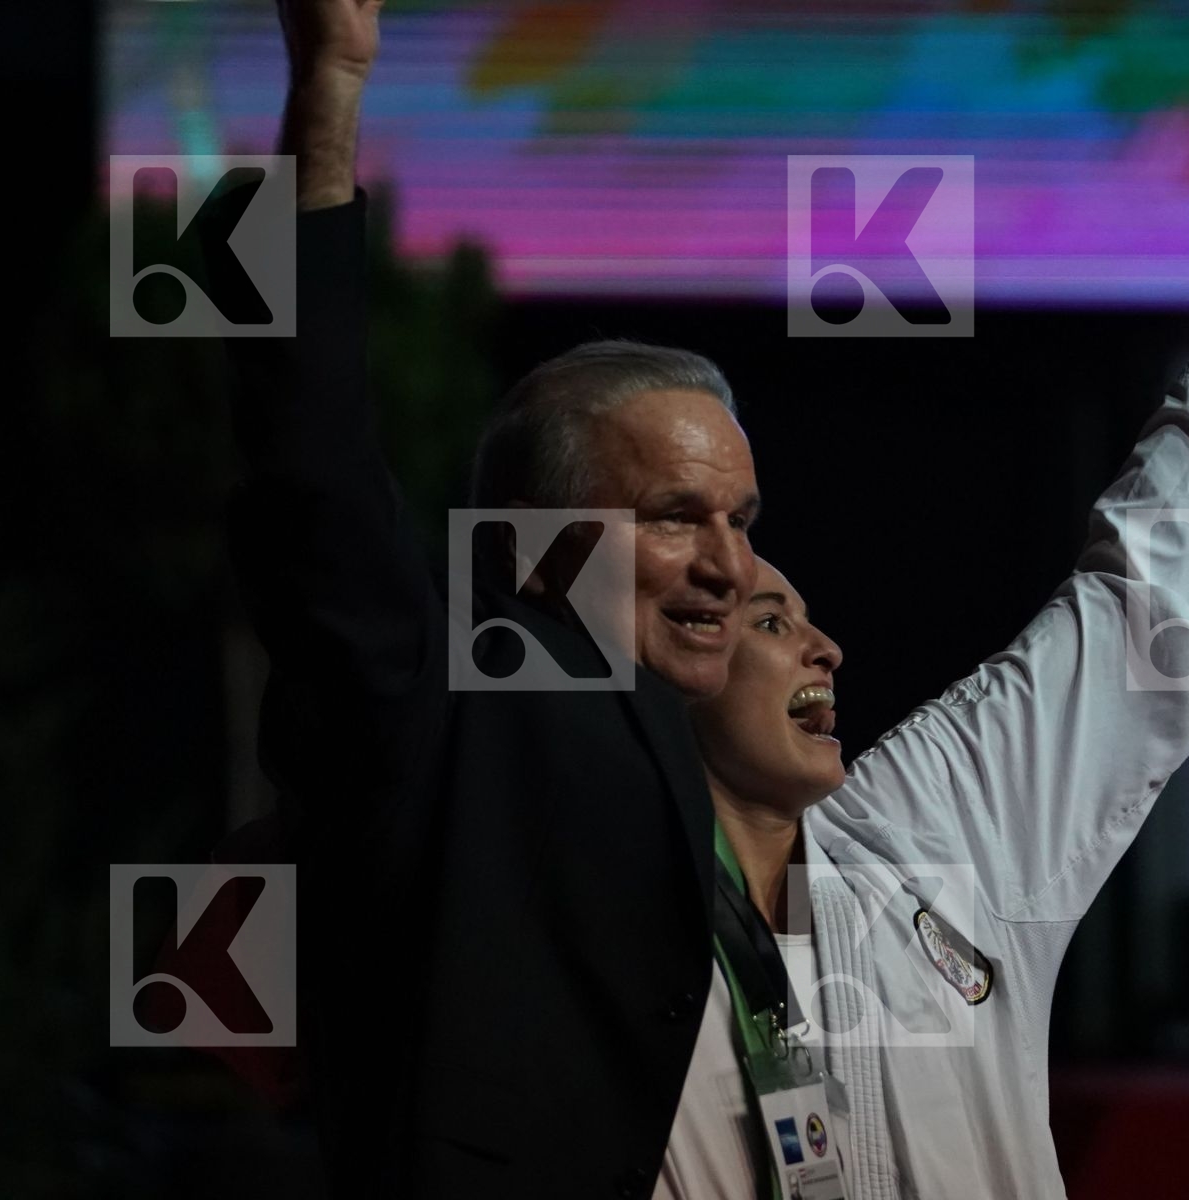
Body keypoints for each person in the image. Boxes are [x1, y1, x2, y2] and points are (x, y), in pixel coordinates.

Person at [661, 50, 1189, 1200]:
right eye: (767, 618)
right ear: (673, 662)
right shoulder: (585, 930)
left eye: (804, 613)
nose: (824, 647)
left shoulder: (925, 843)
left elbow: (1133, 620)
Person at [218, 2, 762, 1195]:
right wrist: (328, 95)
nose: (729, 565)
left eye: (742, 521)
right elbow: (309, 460)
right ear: (538, 545)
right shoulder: (443, 690)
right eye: (676, 515)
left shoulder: (730, 742)